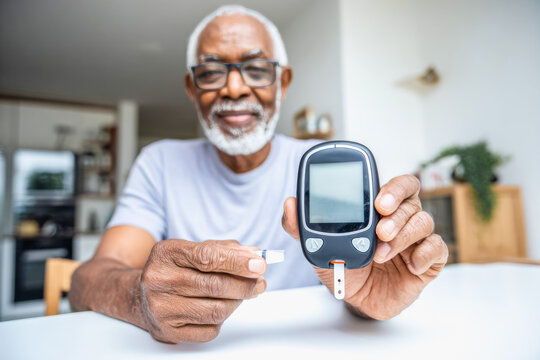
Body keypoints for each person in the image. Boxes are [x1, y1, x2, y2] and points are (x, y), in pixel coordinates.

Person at [69, 5, 448, 344]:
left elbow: (355, 288)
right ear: (191, 87)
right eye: (212, 72)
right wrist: (140, 298)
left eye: (255, 68)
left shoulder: (323, 170)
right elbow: (86, 282)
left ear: (282, 83)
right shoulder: (158, 163)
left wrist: (368, 299)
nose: (234, 88)